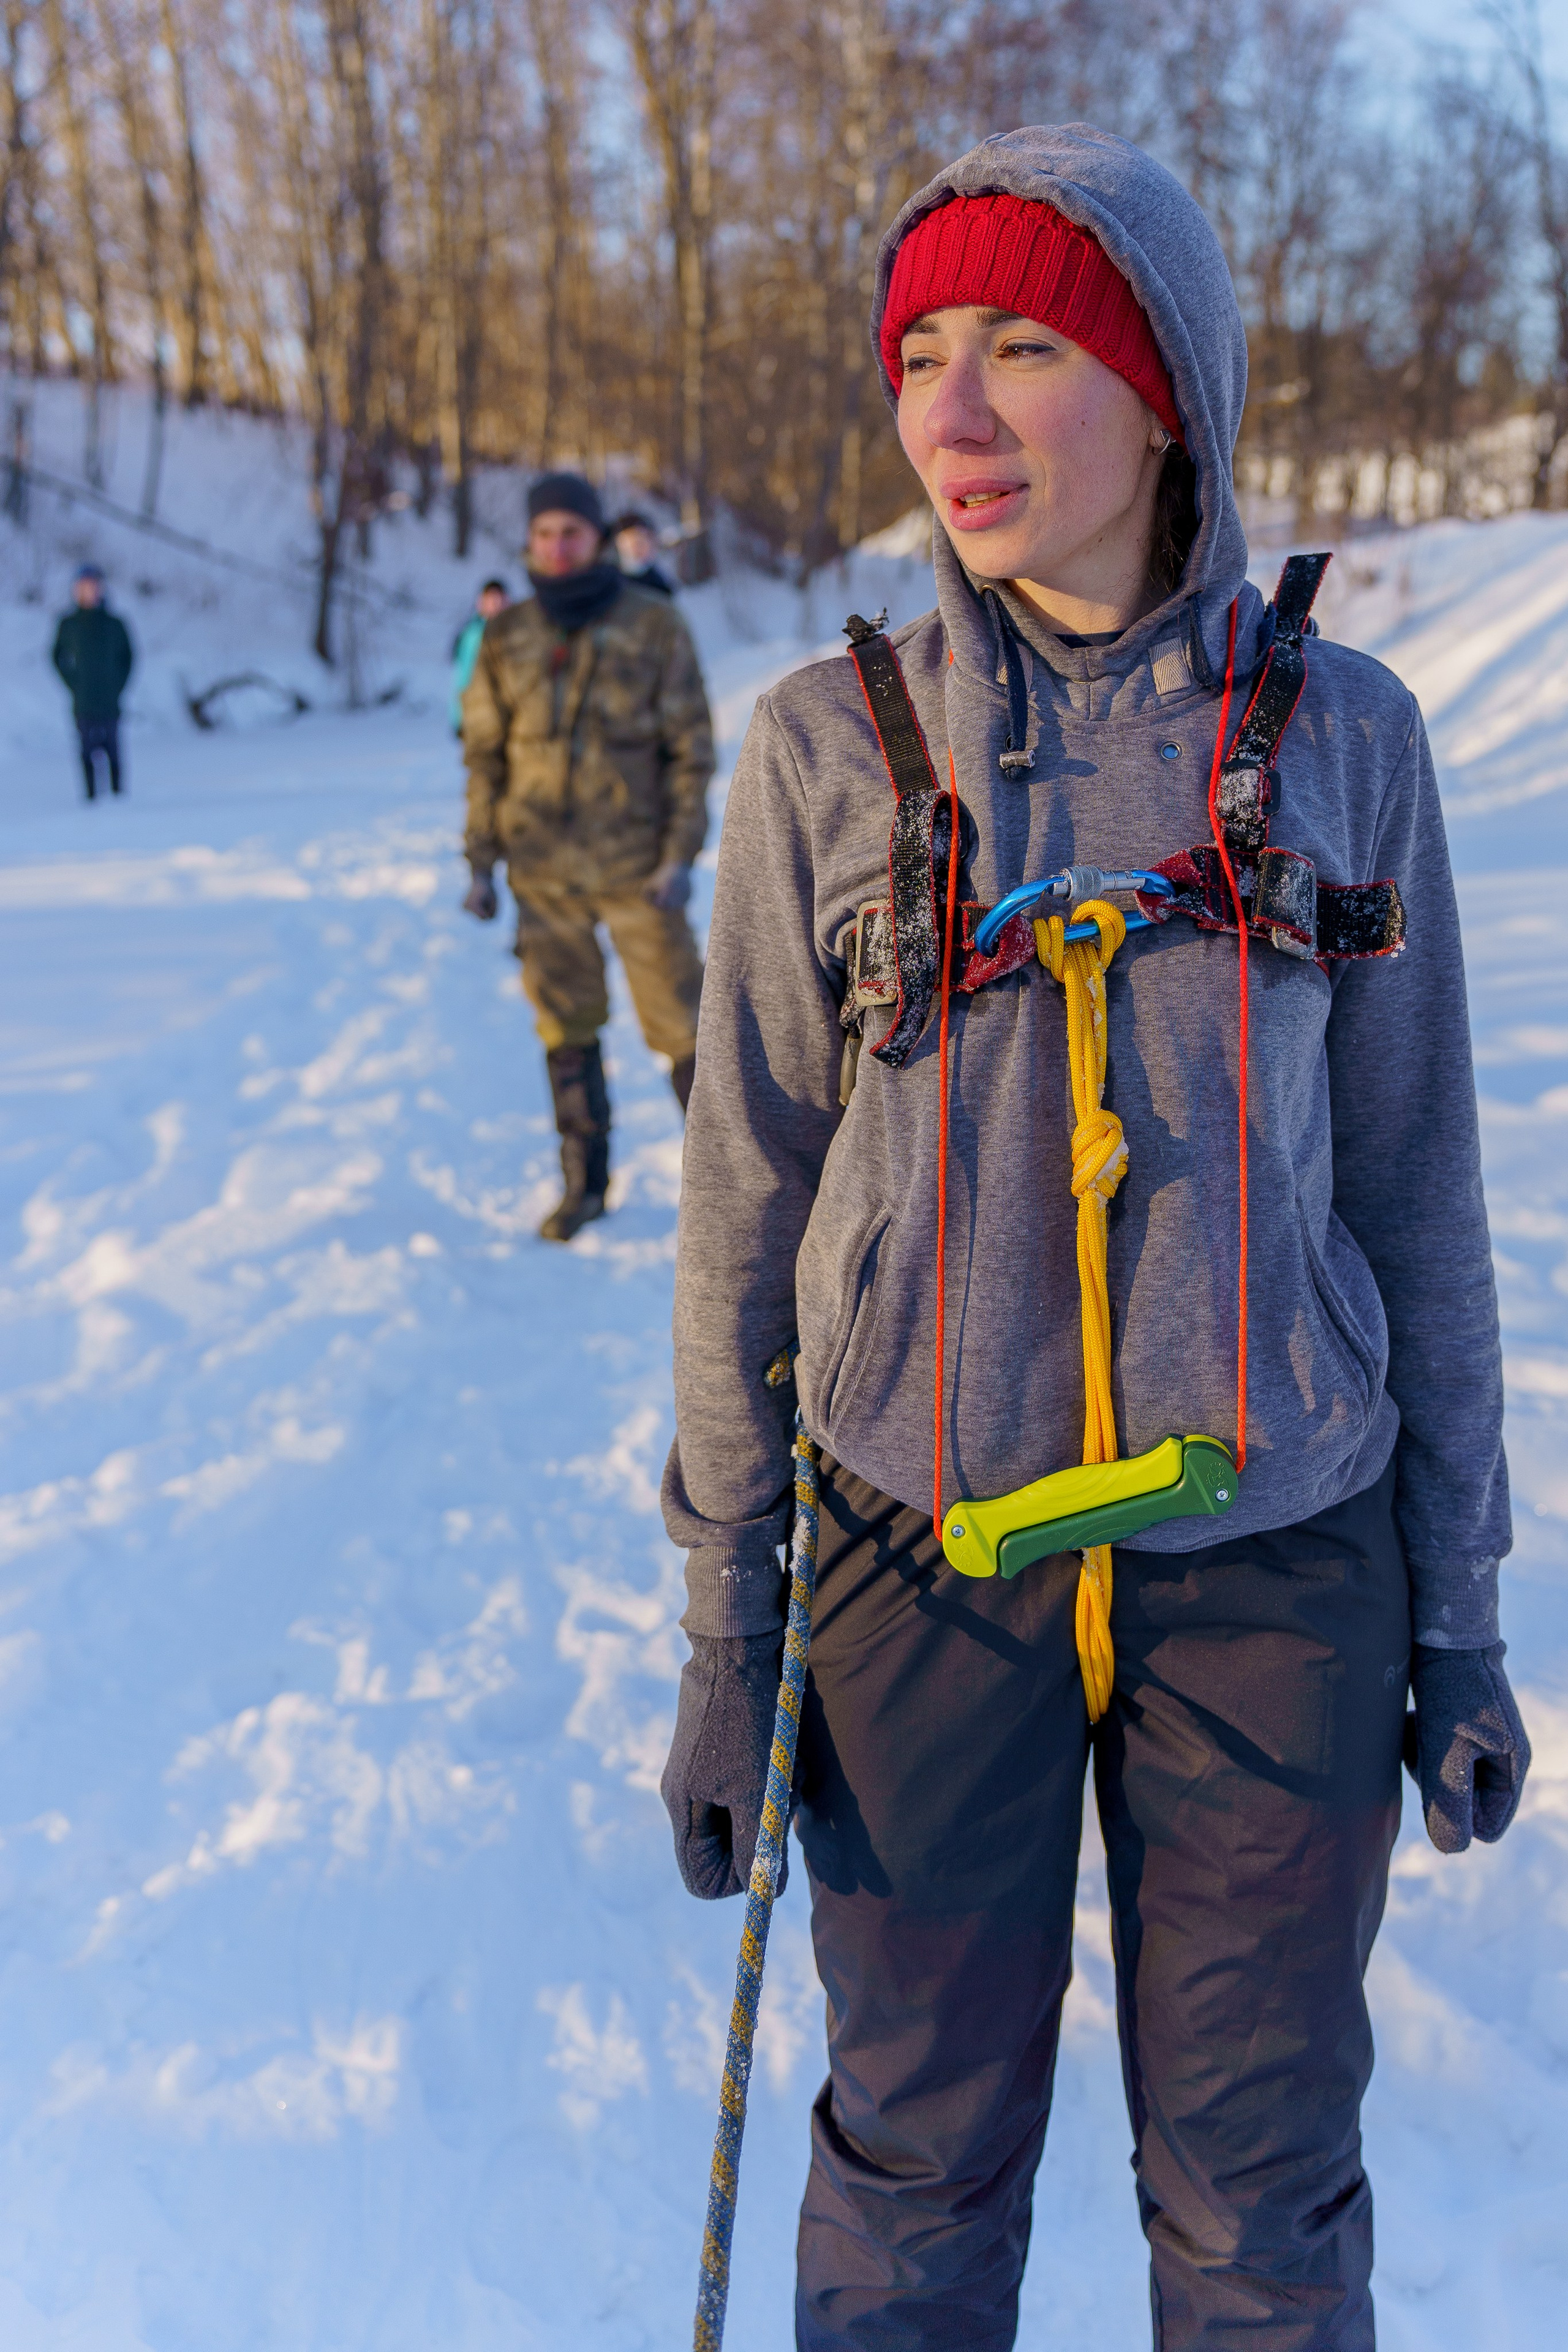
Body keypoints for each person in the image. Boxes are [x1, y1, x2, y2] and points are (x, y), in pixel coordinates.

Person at [659, 124, 1529, 2349]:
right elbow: (744, 1210)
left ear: (1165, 393)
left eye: (1022, 344)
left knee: (1254, 2189)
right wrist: (720, 1631)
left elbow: (1418, 1185)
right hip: (912, 1557)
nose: (948, 414)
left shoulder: (1336, 739)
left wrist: (1455, 1616)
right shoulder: (826, 755)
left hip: (1277, 1563)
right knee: (917, 2161)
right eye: (916, 355)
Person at [461, 471, 712, 1242]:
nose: (557, 547)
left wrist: (679, 855)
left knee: (686, 1030)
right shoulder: (507, 637)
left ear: (598, 538)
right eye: (543, 535)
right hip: (542, 873)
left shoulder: (654, 625)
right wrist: (480, 859)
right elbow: (483, 755)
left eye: (571, 532)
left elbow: (690, 752)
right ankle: (585, 1183)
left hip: (639, 869)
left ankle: (729, 1195)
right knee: (564, 1027)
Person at [51, 564, 134, 800]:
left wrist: (118, 685)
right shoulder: (69, 624)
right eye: (84, 587)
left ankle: (119, 797)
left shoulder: (114, 624)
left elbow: (128, 658)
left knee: (113, 750)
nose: (89, 591)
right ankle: (90, 799)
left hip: (109, 699)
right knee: (86, 751)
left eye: (93, 586)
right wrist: (74, 683)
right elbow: (57, 656)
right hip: (84, 699)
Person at [450, 578, 510, 734]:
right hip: (479, 715)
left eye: (500, 598)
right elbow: (464, 677)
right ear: (481, 602)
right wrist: (459, 718)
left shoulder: (519, 633)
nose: (496, 603)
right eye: (491, 599)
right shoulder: (472, 635)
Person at [611, 509, 675, 596]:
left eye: (649, 540)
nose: (647, 548)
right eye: (638, 543)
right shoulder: (605, 581)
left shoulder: (659, 585)